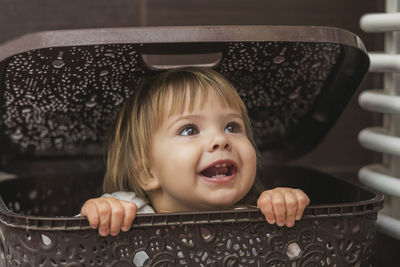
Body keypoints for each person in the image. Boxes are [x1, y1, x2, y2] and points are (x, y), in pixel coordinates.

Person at [81, 67, 310, 237]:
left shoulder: (260, 217)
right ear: (147, 173)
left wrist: (285, 208)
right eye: (189, 130)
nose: (221, 139)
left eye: (232, 127)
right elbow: (65, 248)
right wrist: (98, 213)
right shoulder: (129, 212)